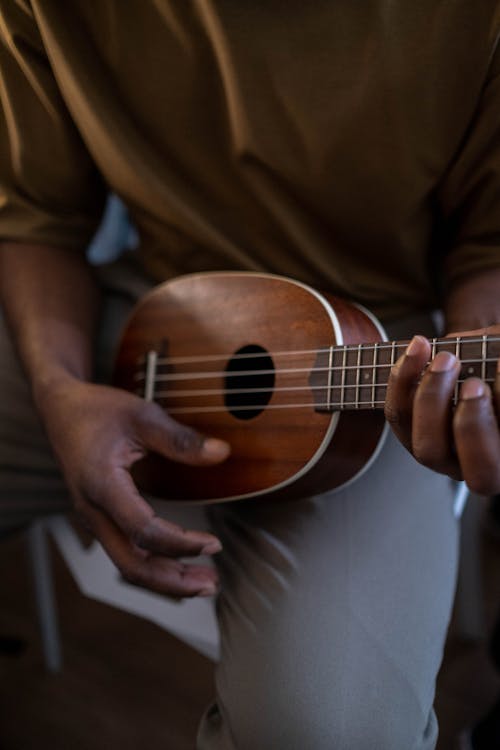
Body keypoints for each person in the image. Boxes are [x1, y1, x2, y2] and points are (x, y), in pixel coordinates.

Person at [1, 2, 500, 748]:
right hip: (143, 311)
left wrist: (472, 359)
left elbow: (486, 243)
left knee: (329, 733)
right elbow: (36, 218)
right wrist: (58, 388)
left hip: (380, 369)